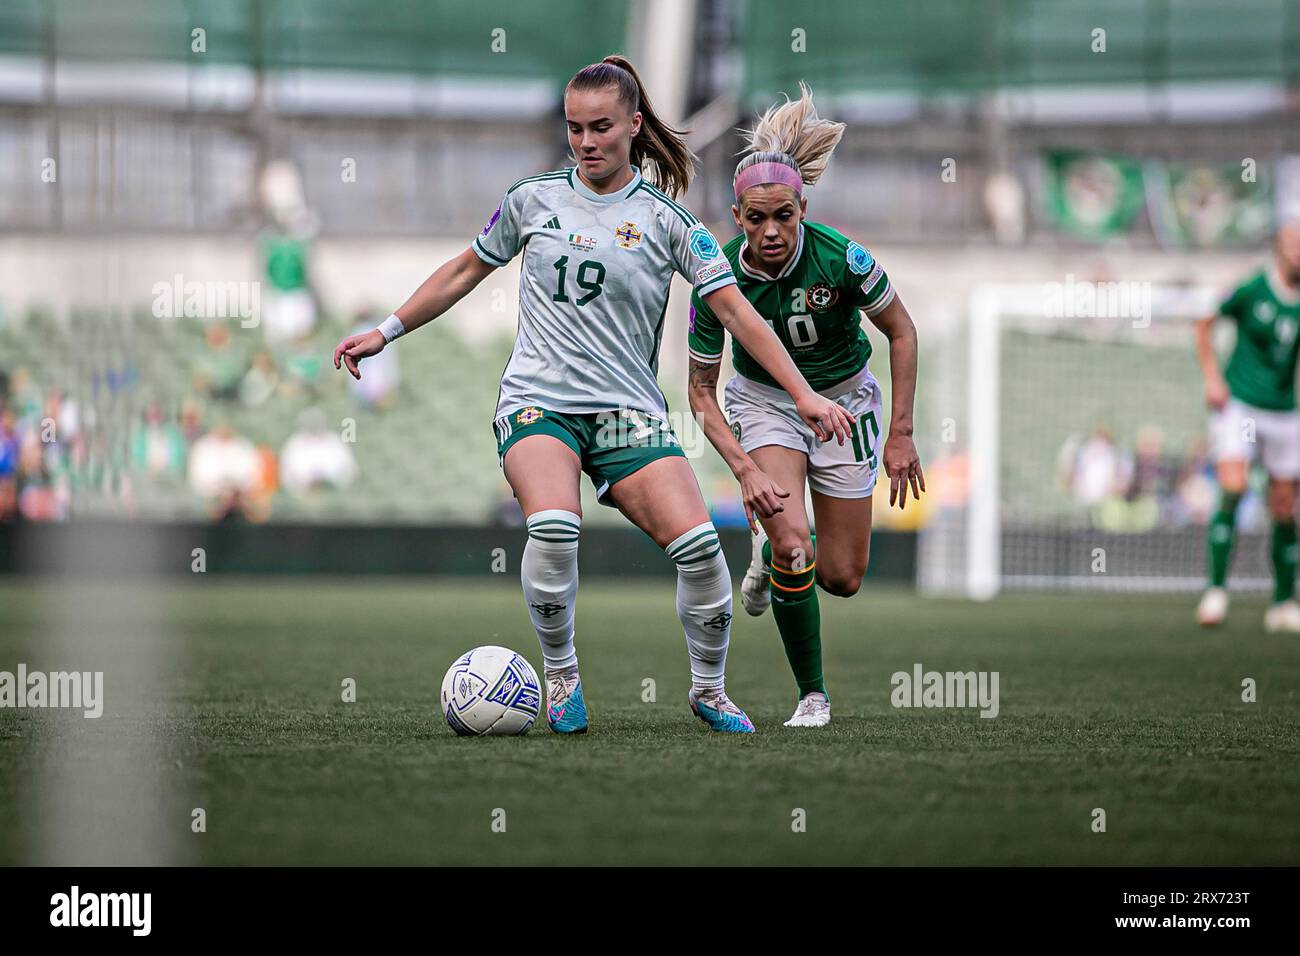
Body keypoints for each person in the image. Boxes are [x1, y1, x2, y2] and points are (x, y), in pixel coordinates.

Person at [333, 56, 854, 734]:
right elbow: (465, 269)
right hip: (539, 402)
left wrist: (804, 396)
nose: (585, 142)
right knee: (554, 527)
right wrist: (387, 330)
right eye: (574, 128)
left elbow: (740, 316)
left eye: (601, 127)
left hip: (627, 414)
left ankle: (709, 691)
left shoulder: (670, 222)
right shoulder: (533, 200)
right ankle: (561, 675)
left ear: (634, 126)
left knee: (700, 546)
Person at [687, 83, 924, 728]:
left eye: (783, 217)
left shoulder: (843, 258)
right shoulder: (716, 280)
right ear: (737, 218)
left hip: (847, 405)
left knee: (841, 576)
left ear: (802, 209)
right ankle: (811, 696)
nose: (770, 231)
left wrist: (900, 432)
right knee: (796, 545)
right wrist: (744, 468)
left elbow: (901, 331)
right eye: (755, 219)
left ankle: (772, 554)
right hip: (766, 407)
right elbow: (701, 393)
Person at [1195, 221, 1300, 630]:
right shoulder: (1252, 288)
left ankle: (1282, 604)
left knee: (1284, 507)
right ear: (1277, 247)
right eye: (1292, 241)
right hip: (1240, 406)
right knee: (1234, 487)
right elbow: (1203, 324)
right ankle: (1216, 591)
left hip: (1284, 411)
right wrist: (1212, 377)